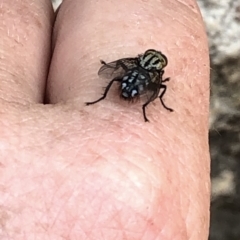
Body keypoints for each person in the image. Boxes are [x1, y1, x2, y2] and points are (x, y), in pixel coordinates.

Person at [0, 0, 210, 239]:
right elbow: (156, 89)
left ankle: (106, 98)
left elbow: (116, 68)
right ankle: (132, 106)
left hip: (128, 81)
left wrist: (112, 72)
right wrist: (151, 103)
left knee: (116, 80)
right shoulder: (156, 78)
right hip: (139, 88)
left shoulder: (134, 62)